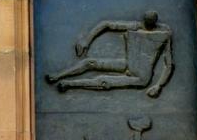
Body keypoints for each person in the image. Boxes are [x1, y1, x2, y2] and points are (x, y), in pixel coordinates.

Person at [45, 11, 174, 96]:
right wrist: (86, 40)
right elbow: (106, 24)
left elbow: (169, 64)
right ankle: (58, 76)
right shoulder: (136, 26)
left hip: (141, 77)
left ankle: (68, 84)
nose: (146, 27)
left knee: (104, 81)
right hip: (129, 63)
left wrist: (158, 85)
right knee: (90, 63)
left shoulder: (164, 33)